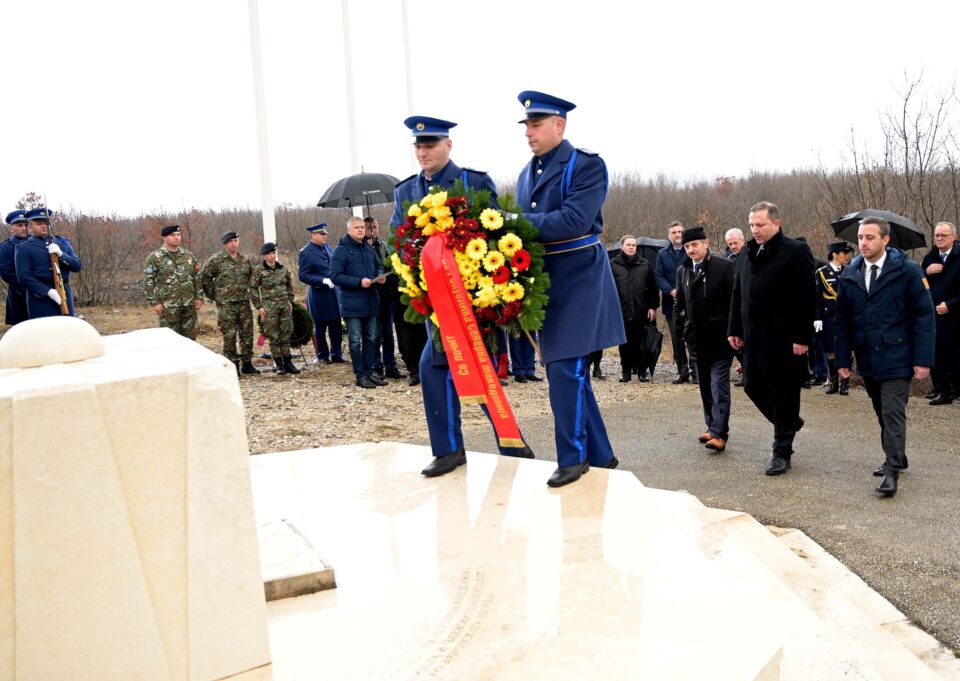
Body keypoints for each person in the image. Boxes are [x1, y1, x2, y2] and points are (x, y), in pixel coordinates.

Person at [392, 116, 532, 475]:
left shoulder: (471, 181)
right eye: (419, 147)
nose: (423, 152)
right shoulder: (405, 191)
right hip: (434, 303)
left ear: (448, 145)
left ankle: (506, 444)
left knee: (473, 368)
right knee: (439, 369)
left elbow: (495, 232)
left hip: (472, 301)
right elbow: (401, 242)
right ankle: (454, 449)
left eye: (430, 145)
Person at [515, 90, 625, 487]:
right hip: (545, 281)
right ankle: (600, 454)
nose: (529, 132)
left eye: (536, 124)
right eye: (526, 125)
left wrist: (515, 224)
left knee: (564, 368)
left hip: (579, 277)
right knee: (566, 368)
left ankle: (573, 458)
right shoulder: (528, 172)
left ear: (559, 125)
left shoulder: (586, 165)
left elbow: (575, 220)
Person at [834, 216, 935, 498]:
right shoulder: (851, 273)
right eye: (861, 238)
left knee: (892, 412)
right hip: (868, 357)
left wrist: (923, 359)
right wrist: (842, 361)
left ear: (885, 240)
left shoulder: (908, 272)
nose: (863, 243)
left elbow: (924, 317)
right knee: (881, 411)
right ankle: (898, 456)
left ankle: (891, 470)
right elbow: (842, 321)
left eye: (870, 237)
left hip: (898, 355)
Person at [728, 201, 816, 476]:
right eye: (752, 225)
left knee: (785, 394)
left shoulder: (795, 251)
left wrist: (803, 336)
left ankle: (782, 452)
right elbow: (737, 293)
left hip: (786, 339)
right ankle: (788, 422)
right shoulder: (746, 253)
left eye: (761, 225)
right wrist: (734, 328)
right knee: (752, 386)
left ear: (776, 223)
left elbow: (807, 297)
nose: (755, 230)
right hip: (754, 338)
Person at [674, 226, 736, 452]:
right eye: (687, 246)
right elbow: (678, 305)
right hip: (696, 340)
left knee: (718, 385)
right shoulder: (683, 271)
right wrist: (681, 332)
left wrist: (734, 331)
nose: (691, 250)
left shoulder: (724, 267)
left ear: (706, 244)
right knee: (704, 388)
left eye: (695, 245)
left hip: (720, 339)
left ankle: (720, 433)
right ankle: (711, 425)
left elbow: (735, 302)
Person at [331, 216, 385, 388]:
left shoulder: (369, 248)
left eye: (362, 227)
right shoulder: (341, 250)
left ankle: (369, 372)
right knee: (355, 340)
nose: (361, 230)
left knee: (372, 338)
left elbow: (378, 265)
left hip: (371, 301)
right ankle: (360, 375)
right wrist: (358, 282)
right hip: (353, 303)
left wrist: (380, 275)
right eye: (357, 228)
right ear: (349, 230)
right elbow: (335, 276)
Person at [201, 230, 258, 375]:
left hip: (243, 303)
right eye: (230, 241)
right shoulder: (216, 260)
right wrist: (215, 295)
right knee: (230, 335)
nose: (234, 244)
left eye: (236, 241)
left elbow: (253, 280)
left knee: (247, 334)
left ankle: (247, 363)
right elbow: (204, 278)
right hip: (226, 305)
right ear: (225, 244)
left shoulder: (245, 260)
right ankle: (233, 365)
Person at [15, 208, 83, 319]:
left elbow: (77, 266)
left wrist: (61, 254)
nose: (44, 226)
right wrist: (47, 291)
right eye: (39, 223)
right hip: (39, 299)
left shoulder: (61, 242)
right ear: (30, 227)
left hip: (64, 292)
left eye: (46, 222)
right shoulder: (23, 247)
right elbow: (24, 277)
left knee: (67, 330)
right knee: (44, 332)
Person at [920, 221, 960, 405]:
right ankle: (941, 390)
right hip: (934, 314)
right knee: (935, 353)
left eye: (943, 235)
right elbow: (920, 283)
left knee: (954, 355)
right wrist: (926, 272)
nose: (939, 238)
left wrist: (950, 305)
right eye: (937, 235)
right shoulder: (930, 257)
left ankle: (954, 390)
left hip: (955, 315)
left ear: (954, 237)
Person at [610, 234, 659, 382]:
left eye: (634, 245)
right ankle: (625, 372)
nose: (631, 247)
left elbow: (653, 287)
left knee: (641, 343)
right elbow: (608, 288)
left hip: (641, 309)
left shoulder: (644, 264)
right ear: (622, 246)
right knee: (624, 343)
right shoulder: (613, 264)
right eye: (629, 245)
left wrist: (653, 307)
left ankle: (642, 372)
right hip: (621, 310)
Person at [143, 224, 202, 339]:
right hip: (168, 307)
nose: (176, 237)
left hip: (188, 305)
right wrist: (155, 303)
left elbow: (197, 278)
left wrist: (199, 297)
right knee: (170, 340)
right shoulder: (155, 258)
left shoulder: (188, 256)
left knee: (190, 340)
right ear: (164, 238)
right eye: (172, 235)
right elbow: (148, 282)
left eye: (178, 235)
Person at [249, 242, 300, 375]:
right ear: (264, 255)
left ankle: (288, 362)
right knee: (274, 336)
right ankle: (279, 363)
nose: (272, 256)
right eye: (269, 254)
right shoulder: (259, 270)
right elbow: (253, 288)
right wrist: (259, 306)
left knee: (286, 334)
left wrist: (290, 301)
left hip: (285, 307)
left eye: (273, 253)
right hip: (269, 308)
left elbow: (289, 286)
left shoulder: (283, 269)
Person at [656, 220, 696, 384]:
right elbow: (659, 275)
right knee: (676, 338)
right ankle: (682, 372)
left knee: (693, 338)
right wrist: (671, 290)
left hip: (692, 301)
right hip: (671, 303)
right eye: (674, 232)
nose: (677, 235)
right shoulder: (662, 254)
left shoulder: (691, 251)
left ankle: (696, 372)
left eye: (679, 232)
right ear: (669, 235)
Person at [297, 223, 344, 364]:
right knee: (321, 327)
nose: (325, 236)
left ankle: (336, 354)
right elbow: (303, 275)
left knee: (336, 326)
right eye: (322, 234)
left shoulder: (327, 248)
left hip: (333, 294)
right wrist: (322, 280)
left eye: (325, 234)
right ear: (314, 235)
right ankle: (322, 355)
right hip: (319, 295)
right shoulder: (306, 252)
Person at [365, 216, 405, 379]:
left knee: (388, 331)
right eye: (369, 228)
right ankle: (376, 366)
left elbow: (389, 263)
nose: (373, 230)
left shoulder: (383, 245)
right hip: (371, 294)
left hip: (387, 293)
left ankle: (390, 365)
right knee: (375, 333)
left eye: (374, 227)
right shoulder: (362, 248)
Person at [815, 242, 854, 395]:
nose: (847, 256)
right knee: (831, 351)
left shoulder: (850, 271)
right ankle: (834, 381)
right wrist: (816, 317)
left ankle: (845, 383)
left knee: (847, 350)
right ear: (835, 254)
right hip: (829, 317)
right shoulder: (821, 273)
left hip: (847, 317)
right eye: (844, 253)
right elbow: (816, 298)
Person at [0, 210, 30, 325]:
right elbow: (6, 273)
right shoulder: (5, 247)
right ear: (12, 228)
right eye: (20, 225)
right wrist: (31, 287)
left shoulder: (38, 243)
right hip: (20, 295)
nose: (24, 228)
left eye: (26, 225)